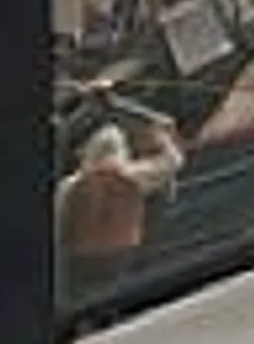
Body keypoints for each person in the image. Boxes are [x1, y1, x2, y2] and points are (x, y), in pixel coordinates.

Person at [55, 107, 184, 282]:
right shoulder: (133, 177)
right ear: (123, 151)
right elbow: (174, 160)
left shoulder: (68, 187)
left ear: (84, 154)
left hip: (78, 261)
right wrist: (161, 135)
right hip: (119, 258)